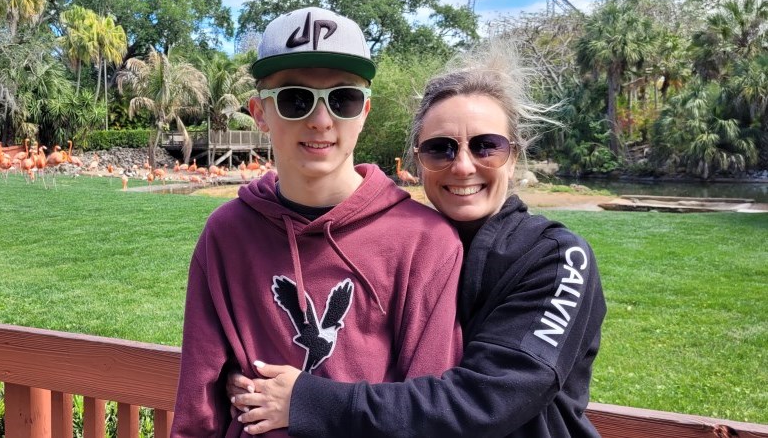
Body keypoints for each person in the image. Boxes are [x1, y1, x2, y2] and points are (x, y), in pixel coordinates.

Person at [229, 40, 608, 437]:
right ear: (418, 161)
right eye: (440, 149)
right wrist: (249, 384)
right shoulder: (414, 247)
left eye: (486, 146)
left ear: (513, 157)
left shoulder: (557, 258)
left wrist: (307, 401)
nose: (463, 166)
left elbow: (488, 399)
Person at [170, 6, 464, 437]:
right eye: (295, 99)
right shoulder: (227, 235)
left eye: (343, 99)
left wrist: (309, 404)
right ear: (259, 113)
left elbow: (429, 412)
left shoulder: (426, 242)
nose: (321, 120)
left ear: (365, 111)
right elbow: (199, 404)